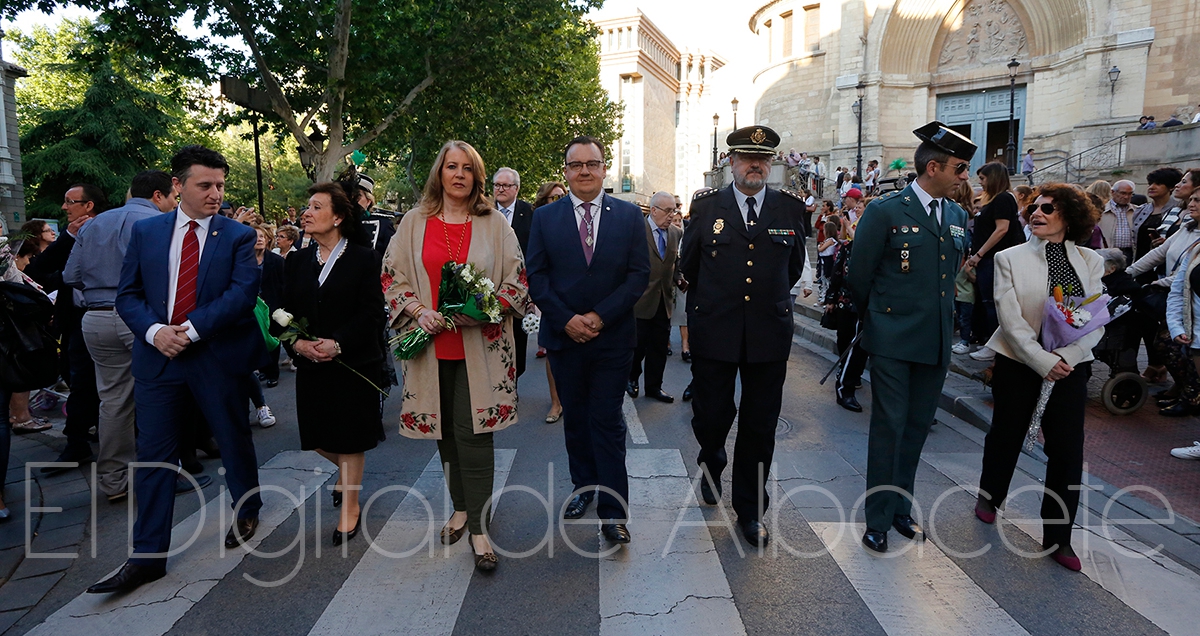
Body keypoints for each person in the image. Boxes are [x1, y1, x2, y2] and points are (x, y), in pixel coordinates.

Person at [92, 145, 266, 594]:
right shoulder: (147, 232)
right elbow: (127, 295)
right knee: (154, 457)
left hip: (215, 358)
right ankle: (147, 557)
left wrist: (189, 330)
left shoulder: (237, 236)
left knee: (232, 439)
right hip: (159, 361)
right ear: (177, 185)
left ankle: (247, 508)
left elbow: (241, 295)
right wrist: (155, 333)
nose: (215, 194)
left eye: (220, 185)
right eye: (205, 185)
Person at [383, 141, 526, 569]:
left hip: (480, 347)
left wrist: (482, 309)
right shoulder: (414, 222)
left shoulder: (495, 224)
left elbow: (517, 281)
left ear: (477, 177)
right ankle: (461, 508)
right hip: (429, 346)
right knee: (443, 431)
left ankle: (479, 529)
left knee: (475, 434)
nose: (459, 174)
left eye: (467, 168)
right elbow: (391, 275)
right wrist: (418, 310)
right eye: (451, 166)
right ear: (439, 173)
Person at [846, 121, 974, 553]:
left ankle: (901, 508)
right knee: (889, 426)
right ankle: (878, 518)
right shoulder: (885, 211)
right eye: (959, 169)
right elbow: (859, 276)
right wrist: (878, 322)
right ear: (933, 167)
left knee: (917, 426)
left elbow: (949, 275)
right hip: (892, 337)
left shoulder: (956, 215)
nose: (965, 177)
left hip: (935, 339)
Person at [680, 125, 806, 547]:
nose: (756, 165)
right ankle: (712, 457)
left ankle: (751, 510)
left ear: (771, 164)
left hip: (768, 331)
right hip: (715, 328)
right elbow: (691, 266)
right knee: (712, 414)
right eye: (748, 158)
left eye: (763, 159)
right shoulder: (706, 207)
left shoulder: (789, 208)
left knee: (760, 424)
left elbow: (793, 268)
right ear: (731, 162)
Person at [526, 135, 649, 546]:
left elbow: (638, 276)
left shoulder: (629, 216)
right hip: (565, 339)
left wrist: (599, 316)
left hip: (613, 340)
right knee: (576, 419)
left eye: (591, 164)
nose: (584, 171)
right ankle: (584, 488)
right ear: (565, 171)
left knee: (608, 422)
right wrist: (566, 320)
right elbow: (537, 277)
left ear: (603, 168)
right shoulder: (545, 218)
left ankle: (614, 512)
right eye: (575, 164)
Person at [975, 183, 1104, 572]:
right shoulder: (1009, 257)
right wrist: (1038, 358)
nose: (1037, 213)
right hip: (1019, 361)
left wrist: (1066, 356)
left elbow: (1096, 319)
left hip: (1070, 366)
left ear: (1070, 216)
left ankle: (1059, 536)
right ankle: (990, 496)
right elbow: (1009, 316)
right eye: (1035, 207)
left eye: (1048, 208)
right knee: (1006, 434)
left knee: (1067, 449)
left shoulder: (1090, 260)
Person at [62, 170, 178, 502]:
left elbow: (71, 275)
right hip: (139, 317)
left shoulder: (94, 224)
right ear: (158, 195)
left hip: (96, 317)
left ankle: (114, 480)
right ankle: (163, 474)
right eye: (173, 196)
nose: (175, 203)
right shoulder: (157, 223)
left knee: (113, 401)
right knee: (159, 396)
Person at [283, 180, 386, 546]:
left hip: (353, 361)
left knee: (351, 436)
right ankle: (347, 473)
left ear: (338, 217)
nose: (307, 213)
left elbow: (372, 313)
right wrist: (298, 343)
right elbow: (283, 312)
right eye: (307, 206)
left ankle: (351, 507)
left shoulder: (363, 258)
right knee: (316, 437)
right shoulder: (296, 261)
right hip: (311, 362)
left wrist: (339, 342)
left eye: (316, 207)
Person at [26, 185, 106, 468]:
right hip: (76, 320)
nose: (64, 207)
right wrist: (68, 239)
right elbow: (37, 272)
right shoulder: (69, 236)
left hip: (110, 316)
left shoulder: (111, 230)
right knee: (79, 379)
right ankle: (78, 441)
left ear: (88, 205)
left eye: (70, 201)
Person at [1146, 188, 1200, 415]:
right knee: (1166, 343)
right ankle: (1188, 394)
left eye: (1198, 200)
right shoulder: (1192, 241)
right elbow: (1179, 286)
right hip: (1193, 326)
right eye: (1192, 199)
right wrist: (1178, 326)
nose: (1192, 204)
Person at [628, 191, 683, 403]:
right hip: (639, 301)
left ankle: (654, 386)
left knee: (659, 348)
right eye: (667, 211)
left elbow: (674, 263)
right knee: (637, 345)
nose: (671, 216)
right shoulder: (636, 231)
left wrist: (679, 278)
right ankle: (631, 378)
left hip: (664, 301)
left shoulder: (676, 233)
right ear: (653, 210)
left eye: (674, 211)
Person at [966, 162, 1024, 360]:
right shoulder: (996, 199)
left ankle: (995, 347)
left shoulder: (1003, 198)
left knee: (993, 303)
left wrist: (979, 254)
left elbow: (1001, 229)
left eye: (983, 178)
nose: (981, 182)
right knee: (987, 303)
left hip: (993, 259)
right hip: (987, 259)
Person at [493, 167, 534, 381]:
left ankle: (512, 385)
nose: (500, 189)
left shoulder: (530, 213)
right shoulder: (482, 211)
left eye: (506, 185)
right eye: (497, 185)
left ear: (516, 188)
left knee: (516, 342)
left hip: (519, 288)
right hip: (488, 286)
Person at [532, 181, 568, 422]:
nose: (560, 201)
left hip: (576, 299)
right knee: (553, 352)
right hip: (550, 299)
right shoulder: (539, 221)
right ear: (543, 200)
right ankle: (556, 403)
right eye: (554, 197)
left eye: (563, 196)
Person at [251, 223, 285, 395]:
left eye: (262, 236)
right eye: (255, 237)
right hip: (252, 307)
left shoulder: (276, 261)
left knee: (272, 338)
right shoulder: (244, 261)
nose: (259, 240)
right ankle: (263, 369)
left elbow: (284, 284)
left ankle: (273, 373)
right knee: (258, 338)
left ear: (267, 239)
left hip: (272, 305)